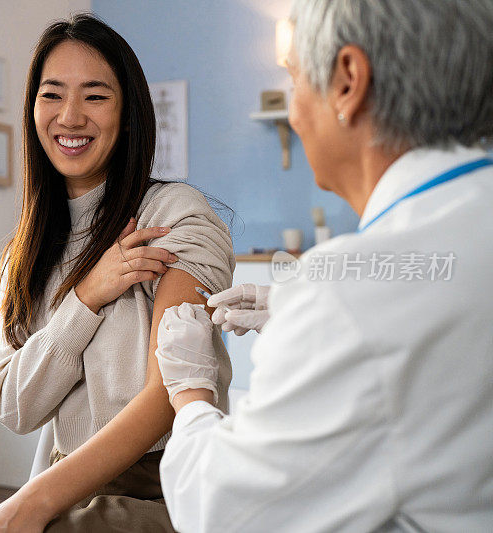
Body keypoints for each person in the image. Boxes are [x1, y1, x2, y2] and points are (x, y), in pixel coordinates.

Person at [155, 0, 493, 531]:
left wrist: (191, 393)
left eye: (293, 79)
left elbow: (222, 512)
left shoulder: (344, 297)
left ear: (347, 81)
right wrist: (294, 308)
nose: (293, 110)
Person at [0, 13, 235, 532]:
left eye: (95, 96)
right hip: (65, 480)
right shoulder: (22, 256)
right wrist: (85, 299)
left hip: (158, 489)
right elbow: (12, 406)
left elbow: (170, 394)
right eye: (52, 94)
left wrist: (30, 504)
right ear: (32, 111)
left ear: (129, 114)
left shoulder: (174, 216)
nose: (70, 116)